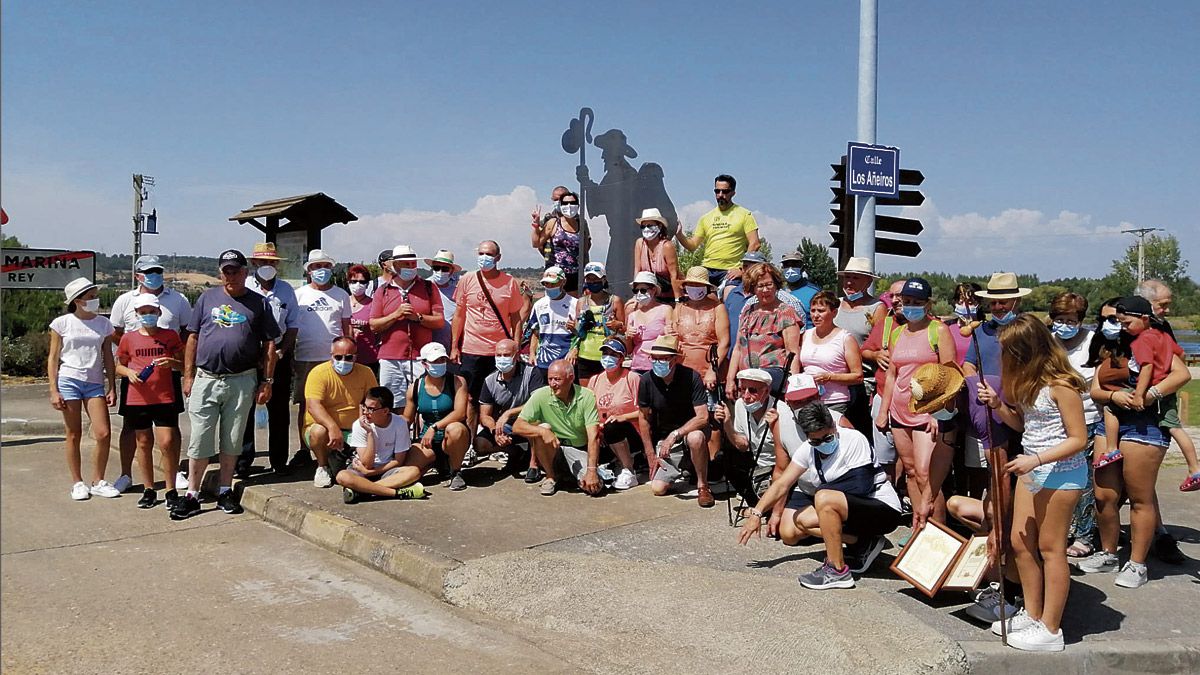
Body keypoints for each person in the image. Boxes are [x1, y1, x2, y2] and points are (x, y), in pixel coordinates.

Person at [977, 314, 1088, 652]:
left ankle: (1051, 628)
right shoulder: (1028, 382)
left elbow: (1078, 439)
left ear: (1027, 350)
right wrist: (998, 406)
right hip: (1032, 469)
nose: (1003, 356)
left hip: (1062, 473)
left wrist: (1036, 459)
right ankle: (1033, 611)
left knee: (1051, 549)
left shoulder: (1062, 385)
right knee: (1020, 544)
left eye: (1008, 350)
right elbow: (1025, 425)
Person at [737, 402, 902, 589]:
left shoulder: (853, 439)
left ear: (833, 425)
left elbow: (861, 485)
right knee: (799, 521)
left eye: (827, 438)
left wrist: (825, 495)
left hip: (881, 508)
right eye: (815, 441)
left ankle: (837, 570)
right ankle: (862, 542)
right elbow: (783, 483)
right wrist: (757, 513)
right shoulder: (808, 450)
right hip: (850, 509)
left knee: (823, 497)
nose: (822, 444)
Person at [176, 249, 279, 520]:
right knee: (199, 438)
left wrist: (267, 381)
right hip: (207, 378)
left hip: (242, 379)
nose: (230, 275)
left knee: (232, 439)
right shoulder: (207, 298)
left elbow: (269, 344)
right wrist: (188, 375)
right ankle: (192, 494)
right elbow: (193, 338)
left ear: (245, 272)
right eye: (226, 271)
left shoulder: (259, 303)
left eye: (235, 270)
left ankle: (224, 490)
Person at [874, 278, 957, 527]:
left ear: (928, 304)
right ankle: (919, 528)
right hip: (900, 412)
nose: (910, 306)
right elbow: (892, 375)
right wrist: (883, 410)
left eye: (917, 302)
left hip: (926, 414)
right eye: (906, 301)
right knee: (909, 471)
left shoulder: (938, 330)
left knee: (926, 475)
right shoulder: (897, 332)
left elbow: (950, 374)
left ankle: (939, 532)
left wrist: (938, 412)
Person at [109, 254, 193, 493]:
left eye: (157, 271)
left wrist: (179, 362)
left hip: (167, 375)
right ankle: (126, 474)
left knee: (169, 429)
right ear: (138, 275)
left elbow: (188, 334)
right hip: (135, 378)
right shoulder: (125, 300)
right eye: (148, 272)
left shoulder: (178, 299)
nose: (154, 276)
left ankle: (174, 472)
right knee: (132, 429)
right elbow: (115, 333)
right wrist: (135, 351)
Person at [50, 277, 119, 501]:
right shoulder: (61, 323)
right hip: (69, 379)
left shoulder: (103, 324)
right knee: (73, 433)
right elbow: (53, 358)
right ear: (78, 301)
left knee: (103, 432)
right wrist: (54, 389)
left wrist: (112, 386)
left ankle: (98, 480)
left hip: (94, 382)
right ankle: (77, 482)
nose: (95, 300)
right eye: (91, 297)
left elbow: (108, 356)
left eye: (95, 295)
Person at [114, 293, 185, 509]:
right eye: (143, 313)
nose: (148, 316)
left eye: (152, 312)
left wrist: (172, 362)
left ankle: (171, 489)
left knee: (167, 442)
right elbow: (119, 365)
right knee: (143, 443)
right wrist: (129, 373)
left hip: (165, 396)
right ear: (136, 314)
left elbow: (184, 364)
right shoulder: (129, 338)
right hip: (138, 398)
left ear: (159, 312)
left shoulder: (171, 335)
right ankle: (148, 489)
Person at [451, 240, 524, 446]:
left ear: (498, 257)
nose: (485, 258)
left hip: (499, 350)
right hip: (472, 349)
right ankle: (470, 443)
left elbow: (516, 317)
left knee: (503, 397)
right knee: (472, 399)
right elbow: (459, 315)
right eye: (481, 253)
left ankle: (501, 441)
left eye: (489, 254)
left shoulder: (509, 282)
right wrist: (454, 346)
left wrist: (515, 344)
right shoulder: (467, 279)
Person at [1047, 293, 1102, 559]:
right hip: (1055, 423)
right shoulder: (1049, 341)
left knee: (1084, 483)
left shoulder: (1094, 342)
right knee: (1060, 481)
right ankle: (1063, 529)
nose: (1064, 324)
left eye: (1070, 320)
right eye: (1059, 319)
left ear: (1081, 320)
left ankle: (1085, 535)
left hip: (1089, 419)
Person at [714, 368, 800, 531]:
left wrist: (775, 428)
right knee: (725, 457)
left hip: (781, 469)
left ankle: (772, 506)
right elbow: (742, 445)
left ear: (766, 391)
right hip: (758, 465)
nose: (746, 396)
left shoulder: (782, 412)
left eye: (752, 390)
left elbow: (789, 463)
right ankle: (759, 503)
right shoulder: (740, 405)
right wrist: (727, 423)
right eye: (742, 389)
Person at [241, 242, 300, 477]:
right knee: (244, 411)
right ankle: (243, 462)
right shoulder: (244, 287)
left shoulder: (286, 290)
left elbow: (293, 325)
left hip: (278, 356)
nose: (268, 266)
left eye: (272, 262)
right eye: (263, 262)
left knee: (279, 412)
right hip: (248, 357)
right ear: (255, 263)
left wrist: (283, 351)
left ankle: (279, 461)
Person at [1136, 279, 1200, 491]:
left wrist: (1154, 390)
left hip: (1157, 395)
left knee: (1173, 426)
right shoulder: (1143, 327)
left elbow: (1177, 358)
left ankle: (1194, 468)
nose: (1167, 310)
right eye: (1162, 304)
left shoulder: (1159, 328)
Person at [291, 249, 352, 466]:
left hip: (335, 359)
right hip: (305, 356)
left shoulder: (341, 295)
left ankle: (335, 445)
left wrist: (349, 354)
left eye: (325, 266)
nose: (322, 271)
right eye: (317, 267)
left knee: (338, 401)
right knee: (305, 404)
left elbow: (347, 329)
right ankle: (303, 447)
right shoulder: (299, 295)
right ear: (309, 271)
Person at [639, 336, 714, 507]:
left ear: (675, 359)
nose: (658, 362)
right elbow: (643, 418)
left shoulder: (691, 377)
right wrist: (650, 454)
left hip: (688, 432)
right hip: (664, 439)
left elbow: (702, 416)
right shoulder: (646, 380)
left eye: (664, 358)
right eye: (655, 358)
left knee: (696, 437)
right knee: (658, 488)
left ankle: (703, 486)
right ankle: (685, 467)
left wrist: (675, 434)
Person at [513, 360, 604, 497]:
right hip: (553, 447)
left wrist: (591, 471)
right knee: (542, 427)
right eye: (550, 379)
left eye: (557, 379)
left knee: (594, 487)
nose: (552, 384)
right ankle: (551, 477)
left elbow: (593, 437)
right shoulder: (540, 395)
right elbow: (517, 426)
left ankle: (570, 475)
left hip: (577, 449)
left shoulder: (586, 396)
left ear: (571, 378)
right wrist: (543, 432)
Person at [369, 245, 444, 411]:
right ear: (395, 266)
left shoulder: (428, 288)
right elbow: (374, 325)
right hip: (390, 357)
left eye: (413, 264)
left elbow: (439, 321)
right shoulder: (383, 291)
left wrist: (418, 318)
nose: (411, 268)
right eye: (406, 264)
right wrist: (396, 315)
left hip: (420, 356)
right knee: (391, 403)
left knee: (421, 401)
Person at [302, 337, 379, 488]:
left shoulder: (366, 372)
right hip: (326, 430)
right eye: (338, 357)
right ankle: (322, 466)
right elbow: (313, 405)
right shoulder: (318, 373)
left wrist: (362, 425)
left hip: (353, 428)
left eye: (349, 357)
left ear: (356, 356)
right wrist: (332, 427)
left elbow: (371, 401)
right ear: (331, 355)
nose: (343, 361)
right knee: (318, 431)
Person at [336, 386, 429, 504]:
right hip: (361, 470)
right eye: (364, 407)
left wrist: (373, 473)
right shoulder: (359, 425)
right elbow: (366, 464)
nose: (365, 412)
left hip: (387, 470)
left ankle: (362, 490)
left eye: (371, 409)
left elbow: (398, 461)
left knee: (414, 472)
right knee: (342, 476)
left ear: (385, 411)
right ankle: (396, 493)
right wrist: (370, 433)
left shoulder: (399, 424)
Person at [477, 339, 547, 482]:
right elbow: (485, 415)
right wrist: (495, 430)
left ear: (516, 356)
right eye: (499, 355)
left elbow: (538, 403)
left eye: (507, 355)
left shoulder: (532, 373)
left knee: (536, 422)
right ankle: (516, 453)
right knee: (480, 443)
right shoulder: (490, 380)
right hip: (506, 426)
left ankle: (533, 465)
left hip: (528, 421)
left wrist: (508, 413)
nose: (502, 359)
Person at [727, 263, 802, 397]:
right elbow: (738, 348)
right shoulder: (747, 312)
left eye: (769, 285)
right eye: (760, 286)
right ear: (753, 288)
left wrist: (793, 386)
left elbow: (793, 353)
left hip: (772, 386)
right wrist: (730, 379)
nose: (765, 290)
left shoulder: (785, 313)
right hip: (746, 385)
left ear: (776, 285)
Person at [674, 174, 761, 287]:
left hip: (730, 271)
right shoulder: (706, 218)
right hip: (707, 269)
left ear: (733, 193)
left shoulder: (745, 215)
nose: (720, 195)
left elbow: (755, 243)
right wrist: (679, 234)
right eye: (717, 191)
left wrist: (742, 269)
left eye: (725, 192)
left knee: (729, 294)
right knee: (691, 291)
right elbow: (692, 246)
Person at [405, 343, 471, 490]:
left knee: (456, 429)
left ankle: (455, 471)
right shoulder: (415, 387)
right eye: (434, 361)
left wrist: (435, 427)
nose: (439, 364)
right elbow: (406, 420)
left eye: (442, 360)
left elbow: (460, 413)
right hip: (427, 442)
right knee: (409, 472)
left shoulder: (458, 381)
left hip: (451, 438)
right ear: (424, 364)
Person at [588, 338, 650, 491]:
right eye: (605, 353)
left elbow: (647, 411)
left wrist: (624, 417)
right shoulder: (595, 380)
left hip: (630, 432)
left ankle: (628, 469)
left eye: (613, 355)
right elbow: (588, 411)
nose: (608, 357)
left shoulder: (632, 379)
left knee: (613, 426)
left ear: (622, 358)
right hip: (602, 433)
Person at [859, 279, 906, 480]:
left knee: (910, 454)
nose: (894, 301)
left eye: (900, 296)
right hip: (882, 394)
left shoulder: (932, 326)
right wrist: (876, 355)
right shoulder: (885, 324)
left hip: (913, 399)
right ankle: (890, 495)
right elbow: (865, 350)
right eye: (892, 296)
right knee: (885, 454)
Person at [799, 290, 863, 414]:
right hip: (808, 400)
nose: (816, 315)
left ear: (834, 313)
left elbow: (858, 376)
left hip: (835, 401)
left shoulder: (845, 338)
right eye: (813, 311)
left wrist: (829, 377)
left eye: (821, 311)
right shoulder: (806, 335)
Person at [567, 261, 626, 384]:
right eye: (589, 279)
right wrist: (573, 333)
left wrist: (618, 325)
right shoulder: (581, 302)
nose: (593, 282)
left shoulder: (615, 301)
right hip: (585, 354)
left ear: (603, 279)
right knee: (587, 393)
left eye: (596, 279)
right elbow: (579, 332)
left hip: (607, 355)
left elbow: (624, 330)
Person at [963, 272, 1030, 378]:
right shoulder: (980, 330)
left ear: (1017, 301)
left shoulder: (1030, 330)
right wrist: (977, 385)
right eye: (993, 303)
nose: (997, 307)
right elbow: (969, 364)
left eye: (1003, 302)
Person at [531, 190, 588, 293]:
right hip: (555, 274)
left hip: (575, 276)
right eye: (565, 203)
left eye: (573, 203)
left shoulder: (582, 224)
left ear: (578, 205)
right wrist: (535, 225)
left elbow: (585, 251)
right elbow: (536, 243)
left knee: (573, 306)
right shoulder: (553, 222)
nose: (569, 206)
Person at [527, 266, 578, 376]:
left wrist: (575, 350)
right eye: (546, 284)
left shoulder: (575, 304)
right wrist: (532, 353)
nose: (549, 287)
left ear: (563, 282)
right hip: (543, 362)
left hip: (567, 361)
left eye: (553, 284)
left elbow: (583, 333)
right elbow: (535, 333)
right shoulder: (538, 305)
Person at [625, 271, 672, 374]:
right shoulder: (632, 315)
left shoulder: (665, 310)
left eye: (643, 290)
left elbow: (672, 339)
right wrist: (628, 337)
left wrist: (668, 333)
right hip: (637, 366)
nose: (639, 294)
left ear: (654, 290)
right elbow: (628, 350)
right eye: (635, 291)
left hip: (659, 366)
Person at [632, 207, 682, 303]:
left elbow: (674, 275)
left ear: (659, 226)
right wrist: (636, 295)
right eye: (643, 226)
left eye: (650, 225)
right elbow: (637, 270)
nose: (646, 229)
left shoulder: (667, 246)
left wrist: (677, 300)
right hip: (649, 295)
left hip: (669, 294)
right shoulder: (639, 243)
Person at [346, 264, 380, 376]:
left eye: (362, 282)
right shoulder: (342, 303)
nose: (358, 285)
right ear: (348, 282)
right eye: (354, 281)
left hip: (368, 357)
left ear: (367, 284)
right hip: (345, 358)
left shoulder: (373, 304)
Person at [425, 249, 461, 351]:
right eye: (436, 268)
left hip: (452, 345)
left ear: (452, 271)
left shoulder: (459, 289)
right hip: (428, 346)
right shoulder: (424, 286)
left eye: (445, 269)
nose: (440, 272)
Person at [530, 184, 569, 270]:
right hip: (553, 267)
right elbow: (537, 243)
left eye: (561, 199)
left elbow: (586, 244)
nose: (558, 202)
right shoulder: (548, 220)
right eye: (556, 199)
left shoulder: (578, 221)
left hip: (575, 269)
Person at [945, 281, 983, 366]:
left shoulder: (986, 329)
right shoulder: (946, 327)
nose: (965, 306)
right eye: (960, 302)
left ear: (979, 304)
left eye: (970, 303)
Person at [780, 251, 821, 330]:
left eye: (795, 265)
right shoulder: (778, 293)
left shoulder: (814, 293)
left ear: (803, 268)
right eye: (786, 265)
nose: (790, 269)